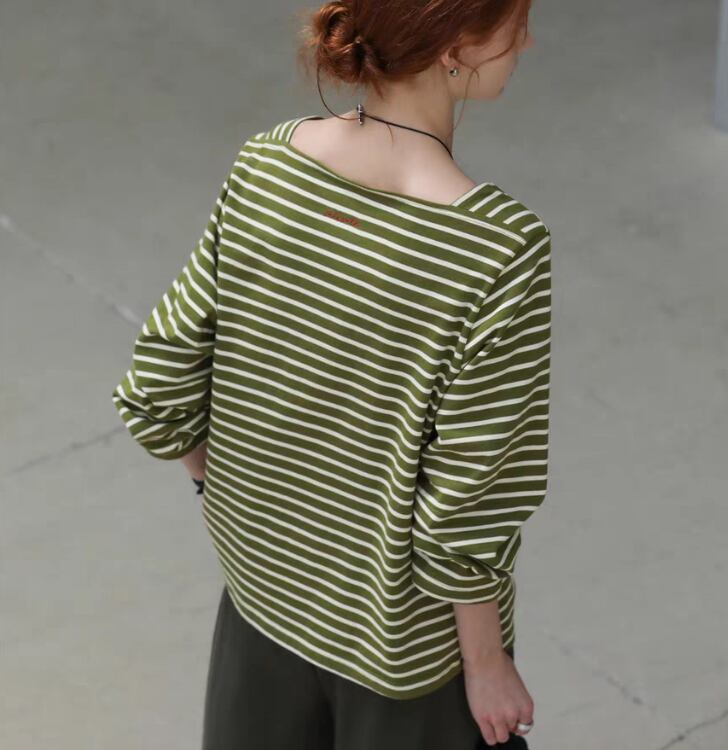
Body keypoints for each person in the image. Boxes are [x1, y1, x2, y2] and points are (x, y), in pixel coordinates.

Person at [111, 0, 550, 747]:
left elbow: (161, 382)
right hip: (402, 653)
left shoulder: (268, 163)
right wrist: (485, 664)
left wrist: (227, 496)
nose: (527, 42)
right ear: (455, 47)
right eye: (515, 24)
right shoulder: (498, 251)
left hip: (260, 603)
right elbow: (469, 498)